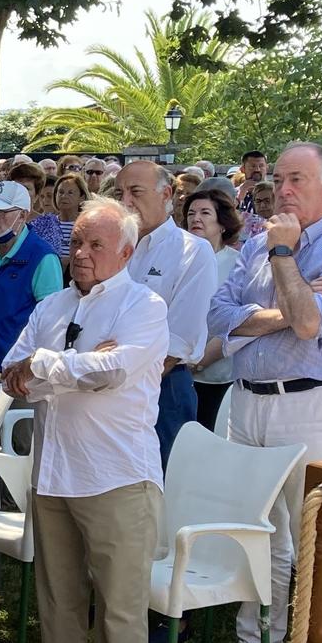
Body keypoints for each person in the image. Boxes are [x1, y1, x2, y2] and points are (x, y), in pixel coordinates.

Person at [194, 142, 322, 643]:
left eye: (298, 178)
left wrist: (284, 256)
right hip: (249, 398)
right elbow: (217, 314)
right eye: (280, 177)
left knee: (321, 538)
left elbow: (309, 324)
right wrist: (280, 309)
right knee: (259, 528)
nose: (285, 188)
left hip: (315, 406)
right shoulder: (256, 243)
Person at [0, 200, 168, 643]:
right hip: (54, 468)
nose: (81, 254)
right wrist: (71, 367)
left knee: (119, 597)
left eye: (96, 245)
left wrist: (49, 367)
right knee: (58, 589)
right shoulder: (50, 305)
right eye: (76, 243)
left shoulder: (144, 307)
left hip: (116, 472)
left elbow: (112, 370)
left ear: (126, 251)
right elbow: (11, 373)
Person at [114, 162, 215, 464]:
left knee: (159, 488)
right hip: (112, 384)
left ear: (166, 194)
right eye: (120, 193)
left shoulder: (192, 251)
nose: (126, 202)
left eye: (135, 192)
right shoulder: (116, 247)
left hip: (161, 387)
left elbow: (179, 339)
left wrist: (118, 384)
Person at [0, 181, 64, 382]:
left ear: (23, 215)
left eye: (1, 212)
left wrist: (30, 366)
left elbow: (53, 324)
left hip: (17, 374)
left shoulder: (43, 258)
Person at [181, 186, 244, 431]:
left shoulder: (237, 263)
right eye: (191, 213)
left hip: (218, 375)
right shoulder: (177, 258)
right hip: (176, 372)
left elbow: (239, 319)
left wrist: (202, 359)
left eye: (205, 213)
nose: (196, 218)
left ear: (223, 223)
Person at [51, 170, 90, 256]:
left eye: (70, 193)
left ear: (82, 197)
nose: (64, 196)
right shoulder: (46, 224)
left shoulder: (88, 225)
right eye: (60, 192)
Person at [236, 150, 269, 214]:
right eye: (252, 166)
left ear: (267, 168)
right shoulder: (233, 194)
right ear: (242, 169)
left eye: (261, 166)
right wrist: (240, 195)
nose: (257, 169)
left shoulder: (275, 193)